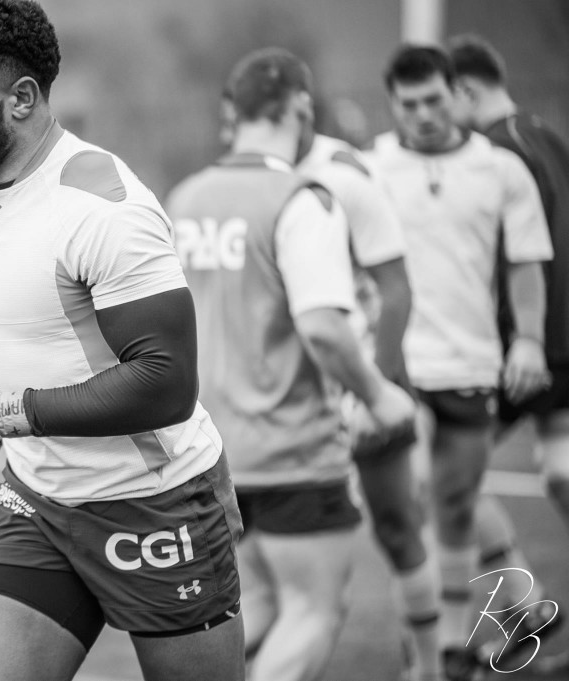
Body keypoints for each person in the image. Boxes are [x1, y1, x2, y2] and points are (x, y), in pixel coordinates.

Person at [0, 2, 245, 679]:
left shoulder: (103, 209)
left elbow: (165, 382)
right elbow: (11, 336)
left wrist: (0, 415)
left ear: (22, 98)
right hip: (36, 502)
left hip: (155, 500)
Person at [167, 47, 417, 681]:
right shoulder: (303, 198)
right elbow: (324, 327)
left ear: (235, 112)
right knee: (314, 610)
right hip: (293, 450)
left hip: (207, 449)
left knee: (256, 607)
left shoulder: (185, 197)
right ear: (301, 107)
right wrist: (379, 394)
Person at [366, 44, 554, 681]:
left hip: (473, 364)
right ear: (393, 104)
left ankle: (451, 650)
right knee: (414, 496)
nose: (422, 114)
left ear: (456, 94)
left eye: (433, 100)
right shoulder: (370, 167)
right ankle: (440, 646)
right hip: (400, 368)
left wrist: (529, 341)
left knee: (455, 507)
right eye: (408, 104)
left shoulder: (501, 169)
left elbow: (526, 264)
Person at [295, 95, 444, 681]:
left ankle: (430, 667)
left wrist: (373, 389)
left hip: (361, 383)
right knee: (297, 564)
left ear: (298, 113)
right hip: (297, 403)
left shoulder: (345, 175)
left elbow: (395, 289)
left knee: (400, 524)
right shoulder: (256, 181)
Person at [448, 32, 568, 663]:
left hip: (530, 347)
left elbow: (513, 260)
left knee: (441, 473)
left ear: (465, 91)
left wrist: (516, 337)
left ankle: (525, 605)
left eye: (442, 98)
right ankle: (527, 608)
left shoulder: (495, 154)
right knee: (561, 472)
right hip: (554, 342)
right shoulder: (545, 134)